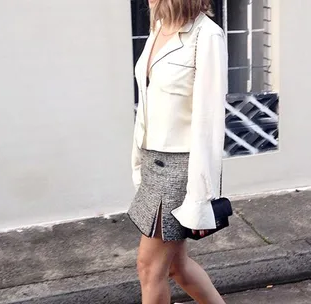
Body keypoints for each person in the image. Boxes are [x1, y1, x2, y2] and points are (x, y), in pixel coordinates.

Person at [128, 0, 228, 303]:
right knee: (177, 267)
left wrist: (199, 197)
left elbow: (208, 123)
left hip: (179, 170)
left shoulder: (206, 36)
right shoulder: (159, 27)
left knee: (149, 268)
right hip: (152, 162)